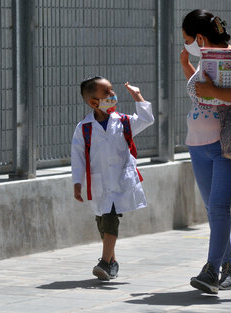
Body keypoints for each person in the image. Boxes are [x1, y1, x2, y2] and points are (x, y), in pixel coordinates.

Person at [180, 9, 231, 294]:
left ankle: (211, 271)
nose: (186, 44)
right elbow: (201, 91)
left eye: (188, 39)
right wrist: (186, 64)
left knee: (218, 208)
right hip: (197, 145)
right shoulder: (204, 59)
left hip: (225, 144)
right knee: (212, 210)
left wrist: (214, 92)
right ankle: (230, 268)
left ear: (200, 37)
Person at [71, 77, 154, 281]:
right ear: (93, 102)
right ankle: (112, 262)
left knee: (110, 219)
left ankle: (105, 262)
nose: (112, 95)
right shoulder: (85, 128)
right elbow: (78, 157)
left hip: (120, 181)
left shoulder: (124, 122)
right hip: (99, 183)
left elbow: (146, 119)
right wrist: (77, 183)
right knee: (102, 221)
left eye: (112, 90)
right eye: (106, 92)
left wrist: (138, 96)